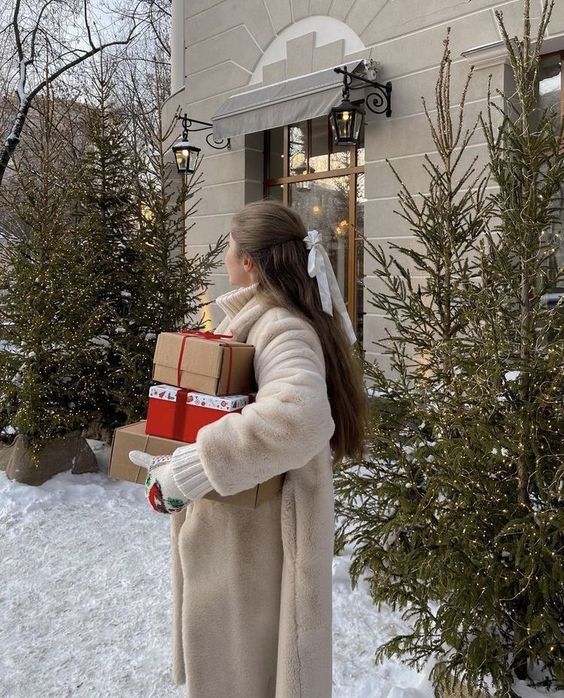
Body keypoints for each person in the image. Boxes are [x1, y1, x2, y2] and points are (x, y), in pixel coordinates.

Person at [129, 200, 368, 697]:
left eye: (229, 248)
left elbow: (300, 416)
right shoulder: (260, 321)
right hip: (240, 537)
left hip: (256, 547)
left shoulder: (281, 327)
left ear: (249, 262)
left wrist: (194, 466)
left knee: (243, 677)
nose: (224, 258)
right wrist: (176, 453)